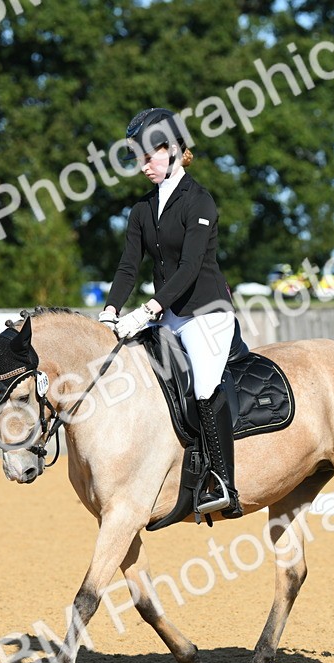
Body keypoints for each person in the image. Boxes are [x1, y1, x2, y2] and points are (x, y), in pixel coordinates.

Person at [100, 107, 243, 519]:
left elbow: (189, 268)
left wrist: (146, 310)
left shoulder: (199, 201)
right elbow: (129, 266)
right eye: (139, 158)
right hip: (167, 316)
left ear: (176, 150)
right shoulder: (142, 210)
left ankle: (221, 482)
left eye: (150, 156)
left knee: (202, 387)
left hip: (207, 314)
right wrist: (110, 311)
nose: (144, 165)